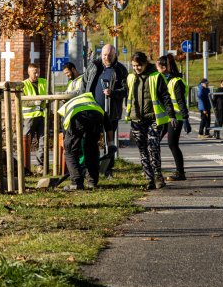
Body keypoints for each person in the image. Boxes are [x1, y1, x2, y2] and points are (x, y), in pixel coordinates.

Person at [126, 51, 175, 190]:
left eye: (139, 66)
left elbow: (165, 96)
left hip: (153, 118)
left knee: (153, 147)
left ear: (145, 63)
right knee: (142, 150)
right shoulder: (130, 78)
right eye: (134, 66)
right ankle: (149, 179)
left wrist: (171, 115)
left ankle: (158, 176)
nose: (136, 68)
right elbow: (125, 92)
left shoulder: (156, 77)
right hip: (136, 119)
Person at [80, 44, 128, 176]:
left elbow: (125, 90)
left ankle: (108, 169)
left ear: (115, 55)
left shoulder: (120, 70)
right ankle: (91, 167)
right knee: (91, 140)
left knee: (109, 142)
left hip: (111, 113)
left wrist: (113, 93)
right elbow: (84, 85)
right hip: (93, 111)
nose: (107, 58)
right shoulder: (94, 66)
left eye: (110, 56)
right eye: (104, 55)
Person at [57, 92, 104, 191]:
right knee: (91, 149)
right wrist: (111, 143)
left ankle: (76, 183)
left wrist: (68, 144)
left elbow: (66, 131)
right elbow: (108, 125)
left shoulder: (66, 107)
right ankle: (92, 182)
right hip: (96, 117)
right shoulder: (92, 102)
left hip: (77, 118)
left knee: (69, 151)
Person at [157, 54, 190, 181]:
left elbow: (181, 101)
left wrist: (186, 118)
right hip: (167, 117)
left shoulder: (176, 82)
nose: (157, 70)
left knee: (172, 144)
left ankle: (180, 173)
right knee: (156, 141)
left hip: (176, 117)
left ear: (164, 67)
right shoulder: (166, 80)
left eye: (158, 67)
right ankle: (155, 170)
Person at [22, 63, 48, 173]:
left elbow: (49, 95)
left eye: (38, 72)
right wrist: (34, 102)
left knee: (43, 141)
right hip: (29, 118)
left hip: (42, 116)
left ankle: (40, 165)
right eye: (34, 73)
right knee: (26, 141)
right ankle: (24, 166)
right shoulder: (24, 84)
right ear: (29, 72)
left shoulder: (44, 82)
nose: (37, 74)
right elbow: (21, 99)